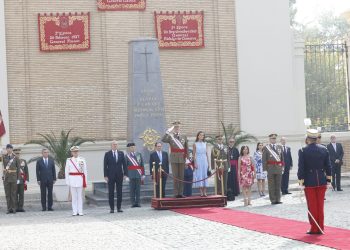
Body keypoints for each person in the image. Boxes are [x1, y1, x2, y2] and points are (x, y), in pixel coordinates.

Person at [298, 129, 332, 234]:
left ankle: (314, 228)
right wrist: (328, 180)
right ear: (316, 138)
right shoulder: (324, 149)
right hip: (322, 181)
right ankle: (321, 227)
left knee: (312, 206)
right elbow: (328, 166)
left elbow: (301, 168)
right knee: (320, 206)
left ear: (308, 138)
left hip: (309, 182)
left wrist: (301, 183)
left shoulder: (303, 150)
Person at [162, 121, 189, 198]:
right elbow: (163, 140)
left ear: (180, 128)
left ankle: (180, 193)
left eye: (178, 127)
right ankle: (176, 193)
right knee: (175, 177)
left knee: (181, 176)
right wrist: (167, 132)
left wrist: (187, 159)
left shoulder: (184, 136)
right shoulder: (170, 136)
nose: (177, 128)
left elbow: (186, 148)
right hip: (174, 158)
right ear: (173, 129)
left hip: (182, 158)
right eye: (175, 127)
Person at [104, 141, 127, 213]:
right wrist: (105, 175)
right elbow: (105, 165)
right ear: (111, 146)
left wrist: (125, 174)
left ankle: (119, 208)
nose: (115, 146)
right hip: (110, 176)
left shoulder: (121, 153)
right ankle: (112, 208)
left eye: (116, 144)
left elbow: (124, 164)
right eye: (114, 144)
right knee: (111, 192)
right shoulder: (107, 154)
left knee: (119, 192)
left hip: (119, 175)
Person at [65, 146, 88, 216]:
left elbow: (85, 171)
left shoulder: (82, 160)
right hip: (72, 180)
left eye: (77, 151)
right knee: (74, 197)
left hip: (80, 179)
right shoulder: (69, 160)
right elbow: (66, 171)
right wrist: (68, 181)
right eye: (74, 152)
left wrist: (85, 181)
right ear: (71, 152)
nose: (75, 153)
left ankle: (80, 211)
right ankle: (74, 211)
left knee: (80, 197)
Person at [262, 133, 284, 205]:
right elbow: (264, 159)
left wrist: (283, 167)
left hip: (278, 168)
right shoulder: (266, 148)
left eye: (275, 138)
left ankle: (278, 199)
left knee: (278, 184)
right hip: (270, 168)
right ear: (269, 139)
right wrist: (265, 170)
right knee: (271, 185)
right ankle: (273, 200)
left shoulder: (279, 147)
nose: (274, 139)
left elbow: (282, 158)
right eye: (272, 138)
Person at [2, 144, 20, 214]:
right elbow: (2, 164)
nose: (9, 149)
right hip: (6, 177)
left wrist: (18, 178)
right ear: (6, 149)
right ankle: (9, 209)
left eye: (10, 148)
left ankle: (14, 208)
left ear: (12, 149)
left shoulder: (16, 157)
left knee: (13, 193)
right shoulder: (3, 157)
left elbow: (18, 168)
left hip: (13, 177)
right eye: (7, 148)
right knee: (7, 194)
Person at [125, 142, 145, 207]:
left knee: (138, 190)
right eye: (131, 147)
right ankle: (133, 203)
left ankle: (138, 202)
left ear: (135, 147)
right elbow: (125, 167)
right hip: (131, 175)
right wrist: (126, 176)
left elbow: (142, 165)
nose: (133, 148)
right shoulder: (127, 156)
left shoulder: (139, 155)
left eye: (134, 147)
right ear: (129, 148)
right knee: (132, 190)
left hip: (138, 174)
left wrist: (143, 174)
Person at [193, 131, 210, 197]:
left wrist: (208, 163)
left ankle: (205, 192)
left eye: (203, 135)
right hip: (198, 160)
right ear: (198, 136)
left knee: (204, 175)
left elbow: (206, 154)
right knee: (199, 175)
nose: (201, 136)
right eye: (200, 135)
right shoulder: (195, 144)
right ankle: (201, 192)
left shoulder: (205, 143)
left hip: (204, 160)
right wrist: (195, 163)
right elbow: (194, 155)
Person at [13, 148, 29, 212]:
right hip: (15, 180)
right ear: (14, 154)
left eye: (18, 153)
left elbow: (26, 171)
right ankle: (16, 207)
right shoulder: (12, 161)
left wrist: (27, 179)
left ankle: (21, 207)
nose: (17, 155)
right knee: (15, 194)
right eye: (16, 153)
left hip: (22, 180)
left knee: (21, 194)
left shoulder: (23, 161)